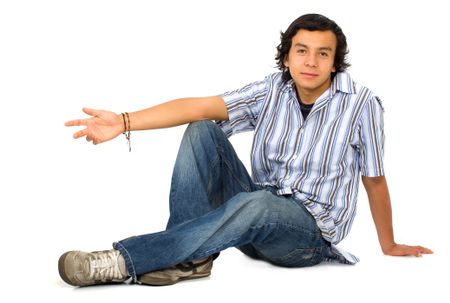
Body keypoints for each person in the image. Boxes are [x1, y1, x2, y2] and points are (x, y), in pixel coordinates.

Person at [59, 13, 432, 287]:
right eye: (301, 50)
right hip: (253, 220)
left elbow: (375, 178)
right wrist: (124, 121)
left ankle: (122, 261)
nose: (311, 62)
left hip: (304, 240)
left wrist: (390, 243)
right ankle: (192, 258)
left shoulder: (361, 104)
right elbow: (199, 106)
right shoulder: (272, 90)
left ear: (335, 63)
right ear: (286, 57)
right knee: (203, 129)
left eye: (323, 54)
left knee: (258, 203)